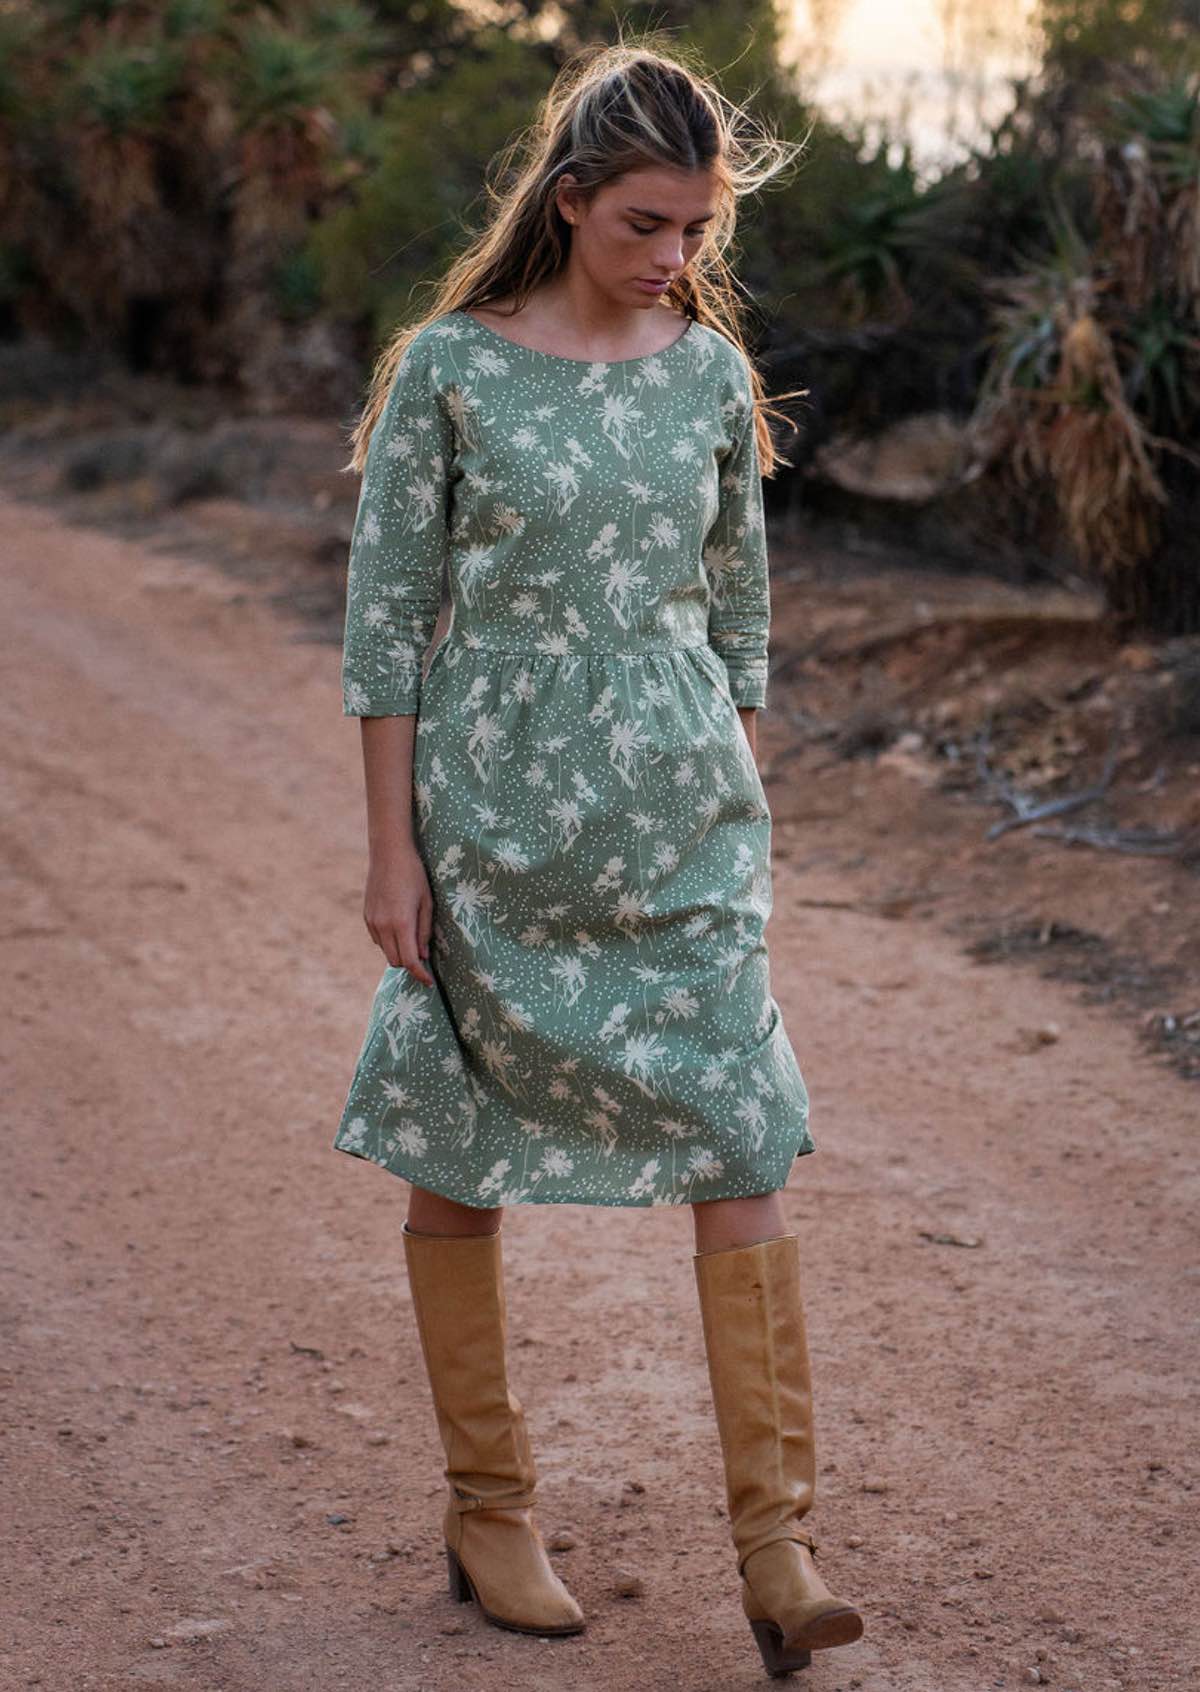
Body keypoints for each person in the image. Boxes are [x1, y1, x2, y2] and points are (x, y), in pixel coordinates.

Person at [332, 36, 865, 1678]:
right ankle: (490, 1507)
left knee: (741, 1134)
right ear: (570, 204)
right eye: (647, 223)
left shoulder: (705, 372)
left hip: (684, 814)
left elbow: (740, 607)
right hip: (492, 814)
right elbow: (385, 626)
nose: (674, 257)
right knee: (461, 1132)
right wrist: (392, 850)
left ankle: (779, 1553)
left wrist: (739, 790)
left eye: (697, 229)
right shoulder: (452, 368)